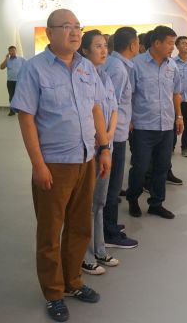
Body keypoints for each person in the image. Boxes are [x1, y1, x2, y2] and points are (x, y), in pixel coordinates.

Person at [11, 8, 112, 322]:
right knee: (50, 232)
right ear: (50, 32)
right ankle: (54, 293)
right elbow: (26, 118)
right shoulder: (35, 69)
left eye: (77, 26)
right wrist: (38, 164)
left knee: (80, 226)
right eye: (67, 26)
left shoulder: (86, 67)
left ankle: (73, 281)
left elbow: (96, 108)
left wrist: (104, 147)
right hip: (54, 164)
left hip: (86, 159)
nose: (75, 32)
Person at [126, 25, 183, 220]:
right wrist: (129, 120)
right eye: (169, 43)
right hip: (143, 126)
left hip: (166, 126)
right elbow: (128, 95)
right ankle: (133, 198)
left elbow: (176, 93)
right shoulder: (136, 65)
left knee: (162, 167)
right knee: (140, 167)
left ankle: (156, 203)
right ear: (157, 43)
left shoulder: (172, 65)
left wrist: (179, 116)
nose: (173, 47)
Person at [78, 30, 119, 276]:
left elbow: (114, 108)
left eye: (105, 45)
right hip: (90, 149)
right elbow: (88, 112)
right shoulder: (81, 75)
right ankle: (85, 255)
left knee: (99, 202)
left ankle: (100, 249)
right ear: (84, 50)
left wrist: (108, 135)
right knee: (86, 205)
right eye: (97, 46)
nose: (104, 50)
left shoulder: (105, 76)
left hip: (105, 147)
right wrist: (102, 139)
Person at [102, 26, 140, 249]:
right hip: (113, 136)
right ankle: (109, 232)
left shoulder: (115, 64)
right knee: (112, 186)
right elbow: (110, 106)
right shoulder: (118, 69)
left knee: (111, 185)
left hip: (115, 133)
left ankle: (109, 225)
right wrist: (107, 140)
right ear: (133, 45)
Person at [0, 45, 26, 116]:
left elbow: (27, 67)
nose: (12, 52)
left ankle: (20, 110)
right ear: (9, 52)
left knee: (20, 96)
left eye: (13, 50)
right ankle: (12, 111)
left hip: (19, 81)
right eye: (10, 51)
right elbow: (1, 67)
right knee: (11, 96)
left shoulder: (21, 59)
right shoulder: (7, 60)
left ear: (16, 51)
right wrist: (6, 58)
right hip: (10, 81)